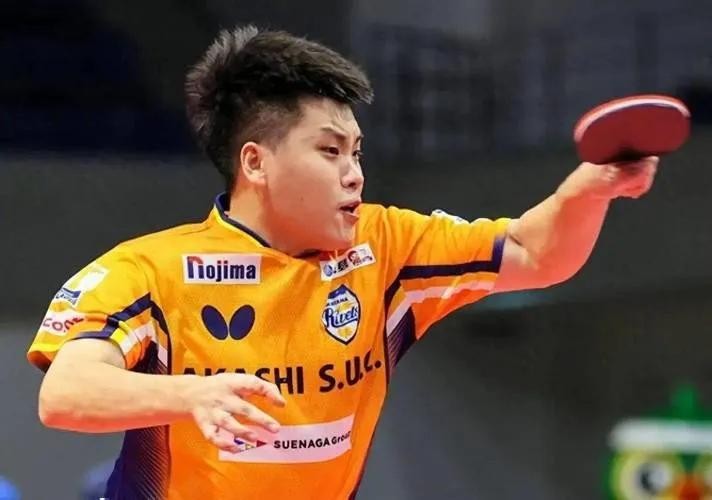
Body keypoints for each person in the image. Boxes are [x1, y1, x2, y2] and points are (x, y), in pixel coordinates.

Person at [28, 25, 658, 499]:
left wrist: (589, 191)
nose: (355, 173)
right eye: (330, 152)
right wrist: (189, 393)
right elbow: (65, 395)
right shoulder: (150, 269)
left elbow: (534, 254)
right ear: (256, 162)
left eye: (356, 152)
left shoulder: (386, 246)